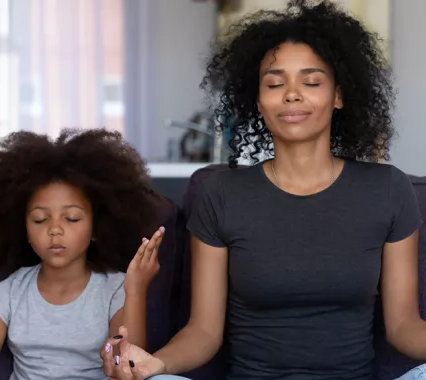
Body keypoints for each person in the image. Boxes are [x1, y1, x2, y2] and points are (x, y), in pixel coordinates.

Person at [101, 1, 426, 379]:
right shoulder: (221, 193)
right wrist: (157, 364)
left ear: (338, 95)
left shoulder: (387, 189)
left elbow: (404, 327)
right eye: (275, 83)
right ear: (258, 102)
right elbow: (204, 333)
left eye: (311, 81)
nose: (291, 94)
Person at [0, 128, 166, 380]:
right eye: (40, 220)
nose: (55, 230)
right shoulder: (8, 294)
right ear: (24, 230)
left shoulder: (115, 289)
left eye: (71, 218)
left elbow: (127, 367)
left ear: (96, 227)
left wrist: (136, 290)